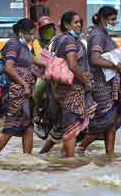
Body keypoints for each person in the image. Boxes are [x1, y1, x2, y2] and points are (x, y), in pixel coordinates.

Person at [39, 11, 96, 158]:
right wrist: (86, 81)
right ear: (66, 24)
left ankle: (42, 154)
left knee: (62, 124)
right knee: (72, 126)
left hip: (59, 88)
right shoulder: (70, 41)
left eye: (80, 22)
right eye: (75, 22)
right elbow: (72, 64)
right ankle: (70, 162)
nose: (79, 25)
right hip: (72, 89)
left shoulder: (59, 39)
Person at [79, 6, 121, 156]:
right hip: (100, 85)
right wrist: (115, 66)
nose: (114, 22)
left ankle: (109, 156)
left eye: (115, 19)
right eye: (112, 19)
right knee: (103, 121)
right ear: (102, 18)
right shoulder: (98, 35)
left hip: (109, 84)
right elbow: (95, 59)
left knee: (111, 123)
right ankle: (80, 148)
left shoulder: (104, 34)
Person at [0, 19, 45, 154]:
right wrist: (24, 84)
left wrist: (54, 64)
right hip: (15, 92)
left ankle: (27, 158)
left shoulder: (26, 47)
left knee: (28, 126)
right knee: (10, 128)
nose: (32, 37)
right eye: (30, 34)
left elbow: (34, 60)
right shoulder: (13, 45)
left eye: (34, 34)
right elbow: (9, 68)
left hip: (26, 94)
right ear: (21, 32)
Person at [31, 16, 57, 139]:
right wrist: (50, 63)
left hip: (58, 70)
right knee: (38, 87)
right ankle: (36, 111)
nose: (48, 31)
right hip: (43, 73)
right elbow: (39, 56)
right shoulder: (37, 42)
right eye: (45, 29)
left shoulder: (58, 40)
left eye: (50, 28)